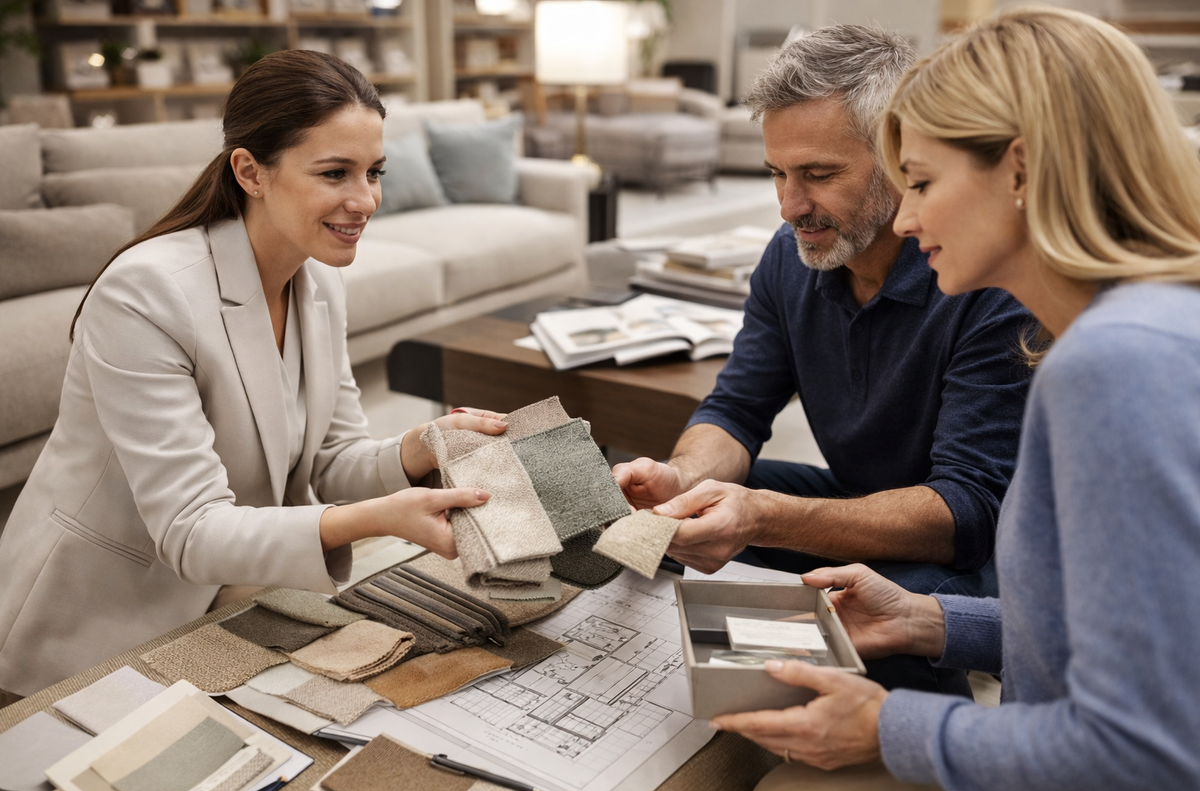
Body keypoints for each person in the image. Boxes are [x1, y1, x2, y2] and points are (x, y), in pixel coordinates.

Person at [713, 8, 1200, 791]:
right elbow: (1152, 643)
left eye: (923, 182)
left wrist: (887, 728)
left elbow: (1147, 752)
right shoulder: (1139, 330)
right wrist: (929, 622)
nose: (905, 218)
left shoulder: (1115, 365)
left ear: (1020, 170)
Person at [0, 51, 506, 698]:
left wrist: (421, 446)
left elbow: (331, 457)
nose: (366, 200)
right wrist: (379, 517)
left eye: (374, 172)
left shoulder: (316, 282)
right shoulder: (146, 293)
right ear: (250, 171)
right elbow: (189, 529)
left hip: (222, 599)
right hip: (89, 628)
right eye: (334, 173)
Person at [613, 26, 1032, 692]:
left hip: (979, 551)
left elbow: (969, 509)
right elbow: (737, 407)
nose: (789, 206)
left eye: (818, 175)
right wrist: (683, 477)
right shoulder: (790, 257)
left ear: (900, 156)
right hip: (866, 499)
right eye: (778, 173)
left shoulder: (984, 280)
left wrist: (766, 516)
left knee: (867, 623)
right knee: (698, 520)